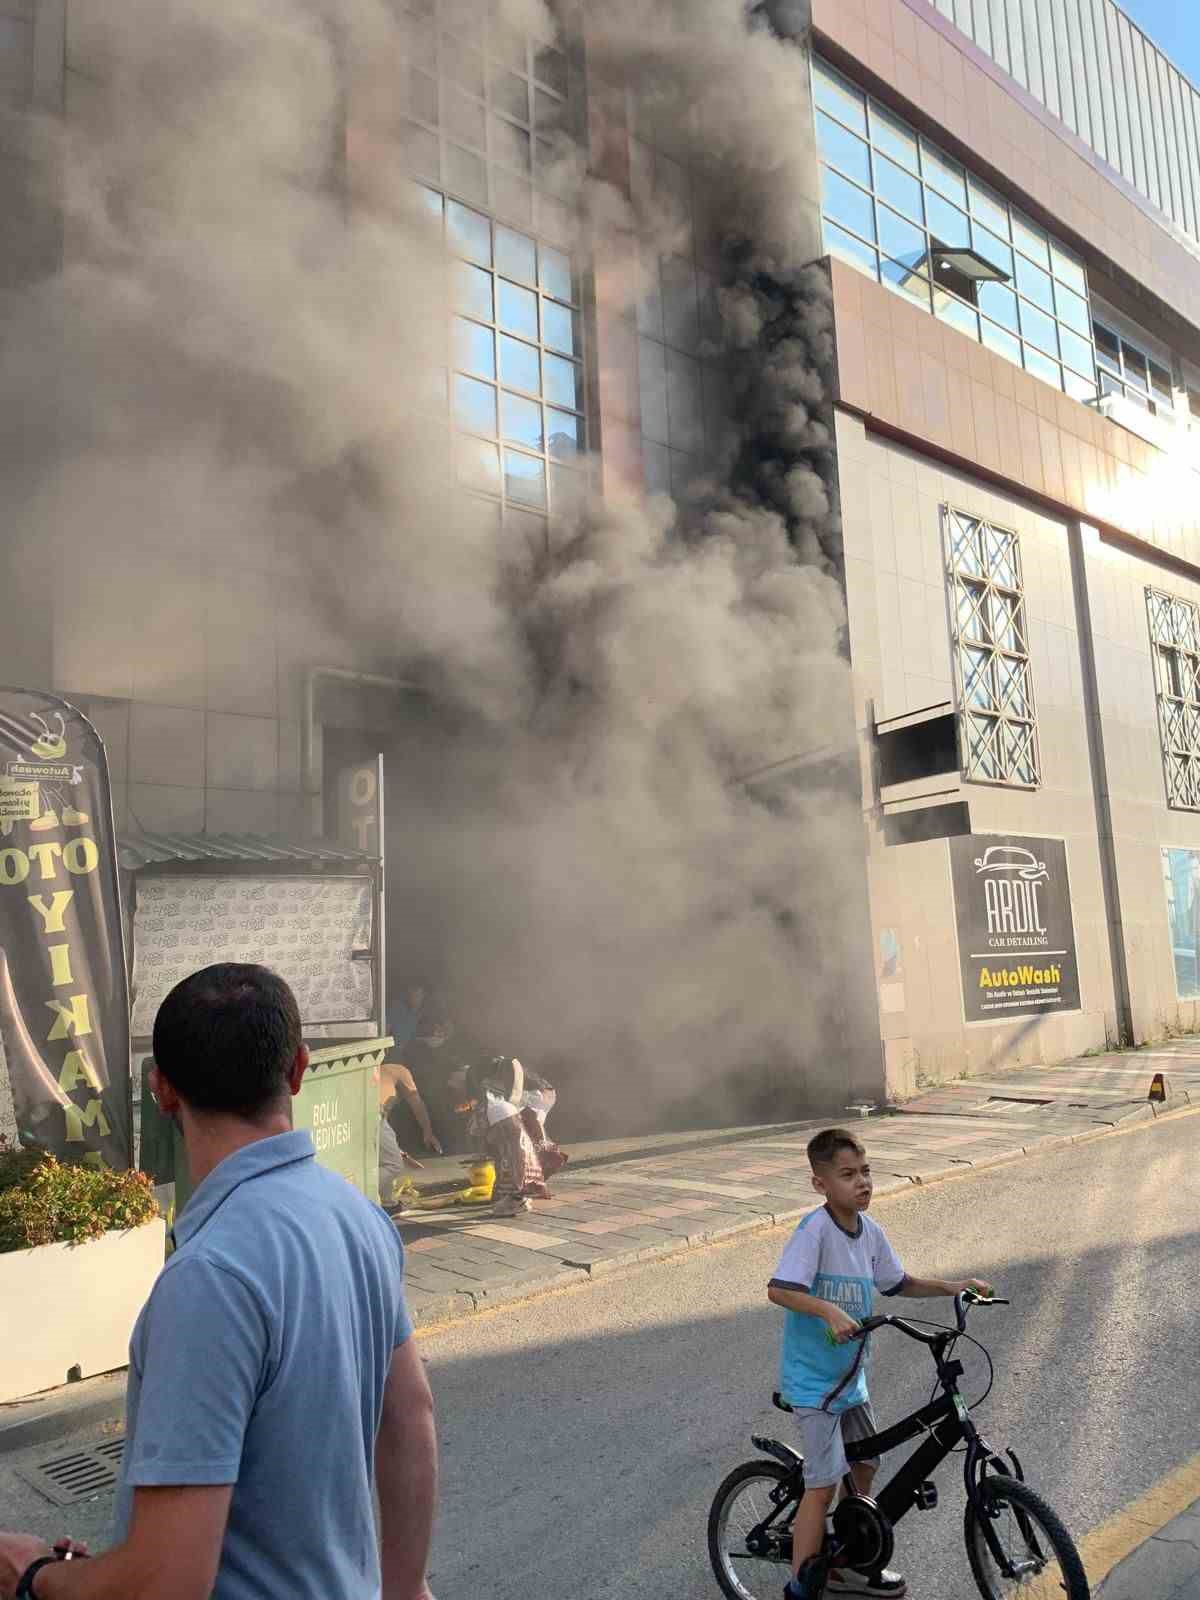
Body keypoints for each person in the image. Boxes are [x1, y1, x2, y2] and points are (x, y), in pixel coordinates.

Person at [0, 962, 437, 1600]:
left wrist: (33, 1575)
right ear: (297, 1069)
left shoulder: (210, 1277)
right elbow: (410, 1418)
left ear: (162, 1090)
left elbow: (168, 1580)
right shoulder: (359, 1218)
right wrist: (405, 1588)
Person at [768, 1127, 992, 1600]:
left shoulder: (870, 1232)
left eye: (865, 1171)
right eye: (848, 1175)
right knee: (823, 1485)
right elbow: (780, 1289)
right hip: (815, 1384)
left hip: (851, 1379)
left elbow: (899, 1283)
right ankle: (800, 1587)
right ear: (821, 1185)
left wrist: (955, 1287)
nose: (862, 1183)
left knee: (866, 1462)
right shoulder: (815, 1231)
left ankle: (846, 1562)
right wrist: (828, 1311)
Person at [462, 1056, 565, 1217]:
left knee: (524, 1144)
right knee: (518, 1146)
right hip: (520, 1103)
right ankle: (520, 1191)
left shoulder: (506, 1068)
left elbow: (511, 1100)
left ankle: (522, 1193)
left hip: (538, 1096)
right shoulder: (490, 1084)